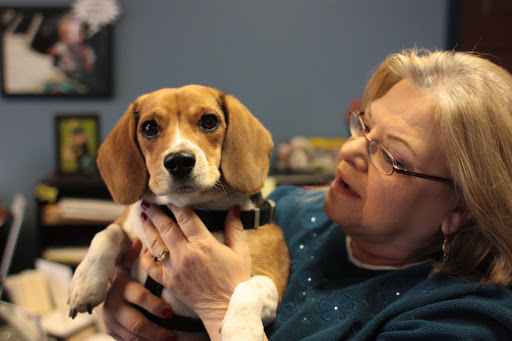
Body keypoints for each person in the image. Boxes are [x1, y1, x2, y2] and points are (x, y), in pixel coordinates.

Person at [101, 49, 512, 340]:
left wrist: (215, 306)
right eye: (362, 126)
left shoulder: (462, 319)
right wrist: (125, 303)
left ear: (463, 206)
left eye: (389, 154)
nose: (350, 150)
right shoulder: (289, 210)